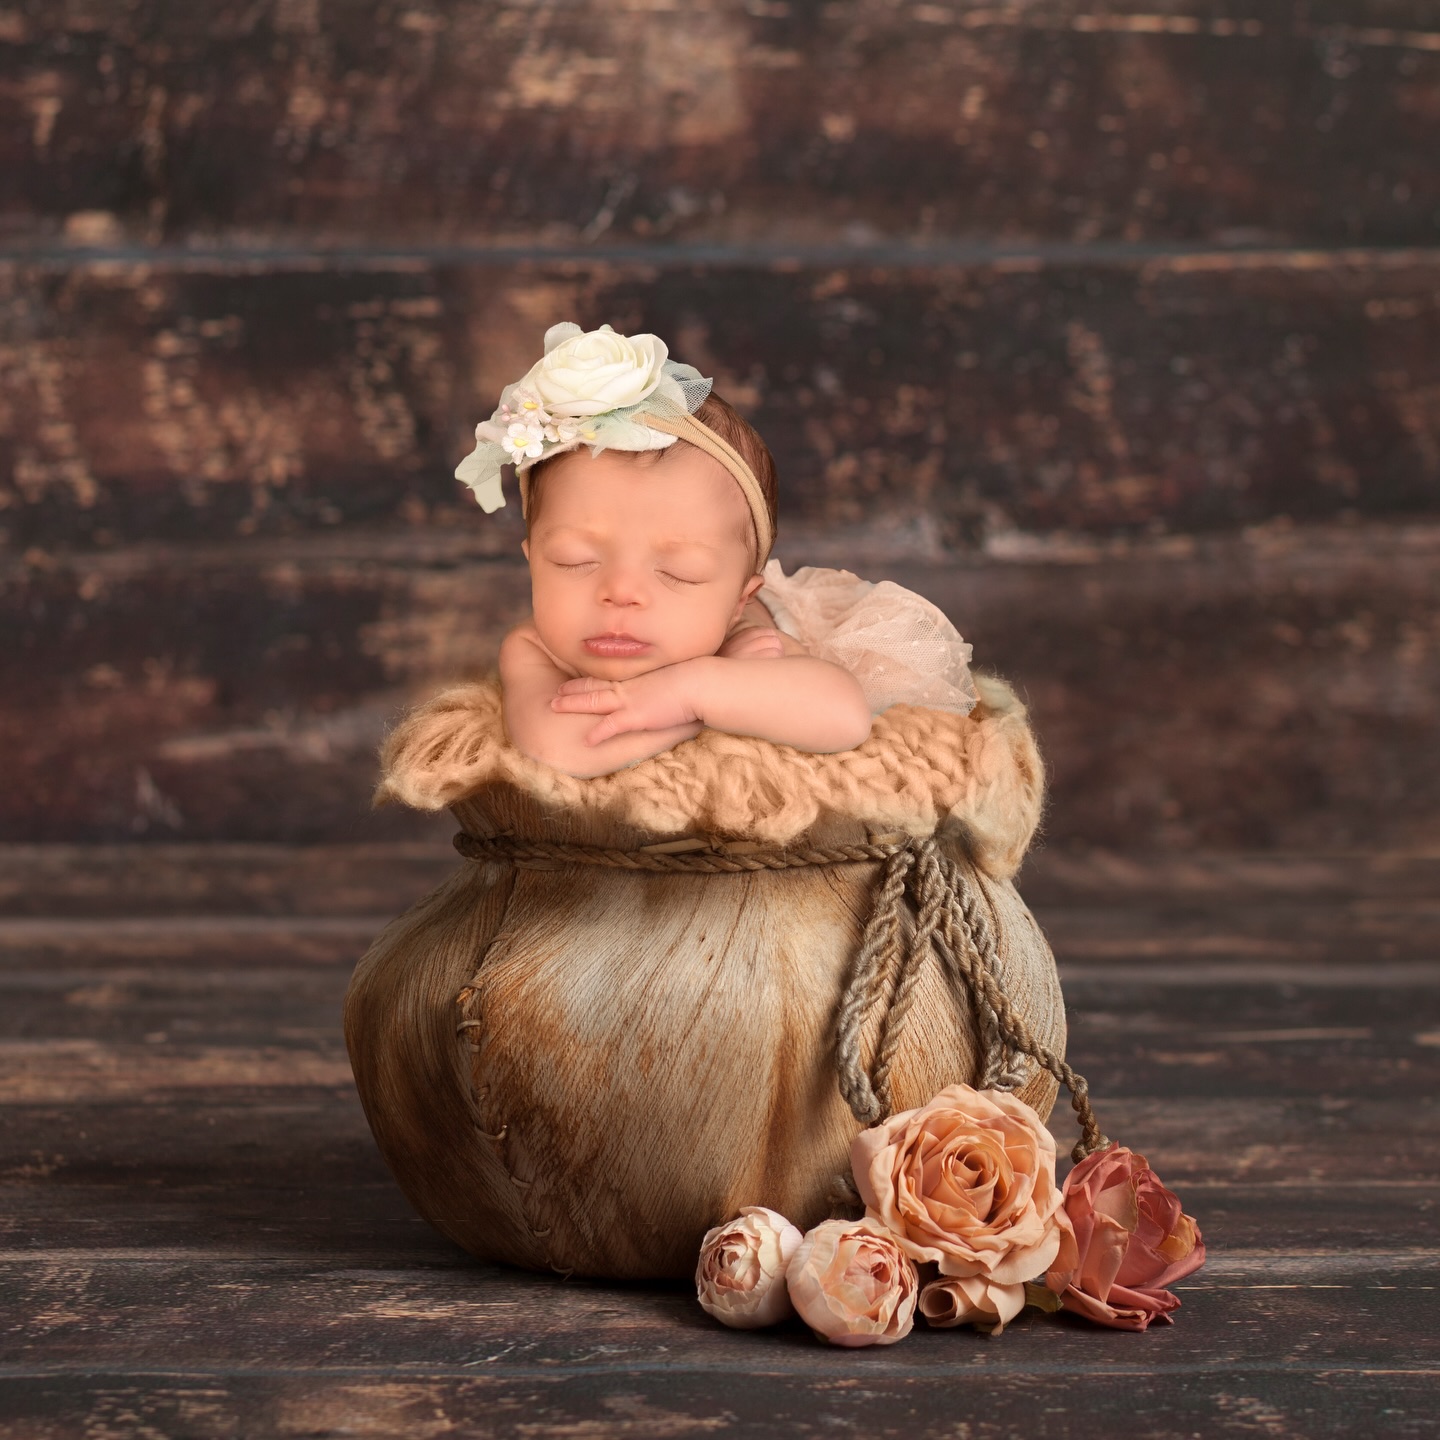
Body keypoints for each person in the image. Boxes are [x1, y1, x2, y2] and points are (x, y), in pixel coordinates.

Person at [455, 323, 977, 779]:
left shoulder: (744, 631)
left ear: (739, 597)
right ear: (531, 562)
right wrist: (700, 708)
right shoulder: (533, 648)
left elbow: (844, 716)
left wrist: (697, 686)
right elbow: (556, 748)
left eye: (681, 573)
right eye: (574, 560)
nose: (620, 592)